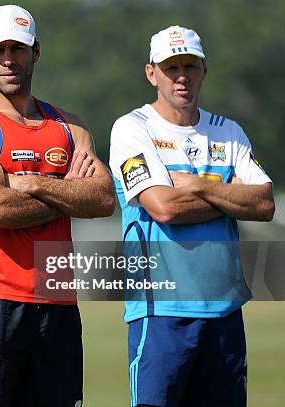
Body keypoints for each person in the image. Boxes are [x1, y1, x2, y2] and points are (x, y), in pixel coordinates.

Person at [0, 5, 115, 406]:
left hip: (57, 301)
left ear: (35, 52)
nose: (8, 59)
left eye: (17, 49)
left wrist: (34, 183)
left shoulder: (70, 126)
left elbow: (104, 198)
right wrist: (68, 194)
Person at [108, 25, 274, 407]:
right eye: (171, 67)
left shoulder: (228, 132)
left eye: (190, 66)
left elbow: (264, 204)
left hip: (225, 310)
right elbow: (163, 207)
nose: (181, 76)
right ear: (152, 73)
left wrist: (198, 186)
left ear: (204, 70)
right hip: (160, 312)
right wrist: (230, 194)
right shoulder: (133, 128)